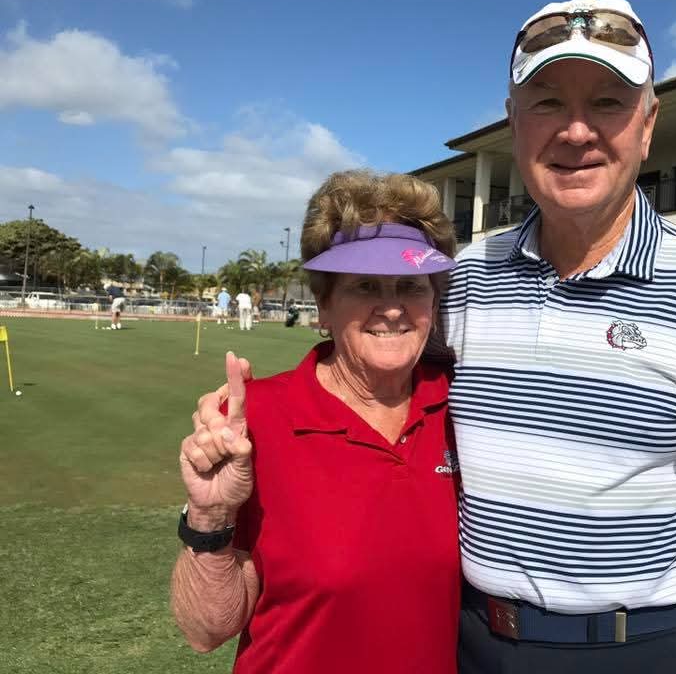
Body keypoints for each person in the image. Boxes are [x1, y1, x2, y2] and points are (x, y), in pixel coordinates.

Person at [191, 0, 676, 673]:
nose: (576, 131)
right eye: (548, 103)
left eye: (608, 103)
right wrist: (253, 424)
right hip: (481, 646)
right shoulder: (463, 281)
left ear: (649, 124)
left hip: (653, 649)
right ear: (514, 123)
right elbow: (372, 376)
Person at [170, 171, 461, 674]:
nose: (393, 308)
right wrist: (209, 515)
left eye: (411, 286)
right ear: (324, 305)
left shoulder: (465, 406)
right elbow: (206, 631)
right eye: (365, 285)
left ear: (433, 302)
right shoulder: (256, 420)